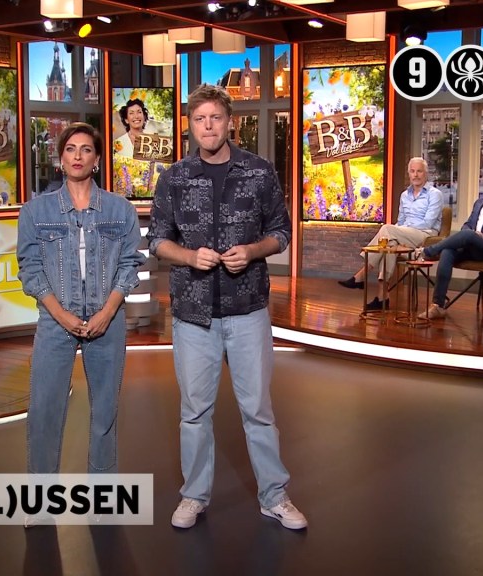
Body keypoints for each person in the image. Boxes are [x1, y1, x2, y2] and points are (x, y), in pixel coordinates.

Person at [147, 84, 306, 531]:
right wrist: (188, 256)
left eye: (215, 118)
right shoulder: (174, 177)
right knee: (194, 413)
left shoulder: (258, 171)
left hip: (247, 309)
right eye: (200, 119)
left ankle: (274, 496)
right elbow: (157, 239)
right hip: (193, 315)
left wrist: (253, 251)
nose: (208, 126)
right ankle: (193, 495)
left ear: (229, 122)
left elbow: (281, 231)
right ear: (190, 126)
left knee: (258, 411)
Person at [16, 123, 145, 486]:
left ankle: (101, 493)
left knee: (105, 412)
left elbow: (130, 265)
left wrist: (107, 312)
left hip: (108, 320)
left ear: (97, 159)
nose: (78, 156)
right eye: (71, 149)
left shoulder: (120, 210)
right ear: (61, 159)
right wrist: (62, 315)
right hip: (55, 321)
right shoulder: (35, 211)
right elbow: (30, 270)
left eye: (86, 149)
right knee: (44, 410)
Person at [413, 161, 483, 320]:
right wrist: (470, 233)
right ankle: (438, 305)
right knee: (448, 251)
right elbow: (467, 224)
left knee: (470, 235)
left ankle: (427, 252)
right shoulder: (480, 202)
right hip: (471, 246)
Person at [337, 157, 443, 310]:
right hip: (405, 234)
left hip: (426, 236)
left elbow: (428, 222)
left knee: (387, 229)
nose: (415, 175)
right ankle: (382, 298)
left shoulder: (435, 194)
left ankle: (362, 274)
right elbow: (400, 221)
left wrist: (400, 231)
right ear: (409, 173)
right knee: (389, 244)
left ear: (425, 173)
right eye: (412, 171)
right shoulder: (404, 195)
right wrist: (399, 233)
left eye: (419, 171)